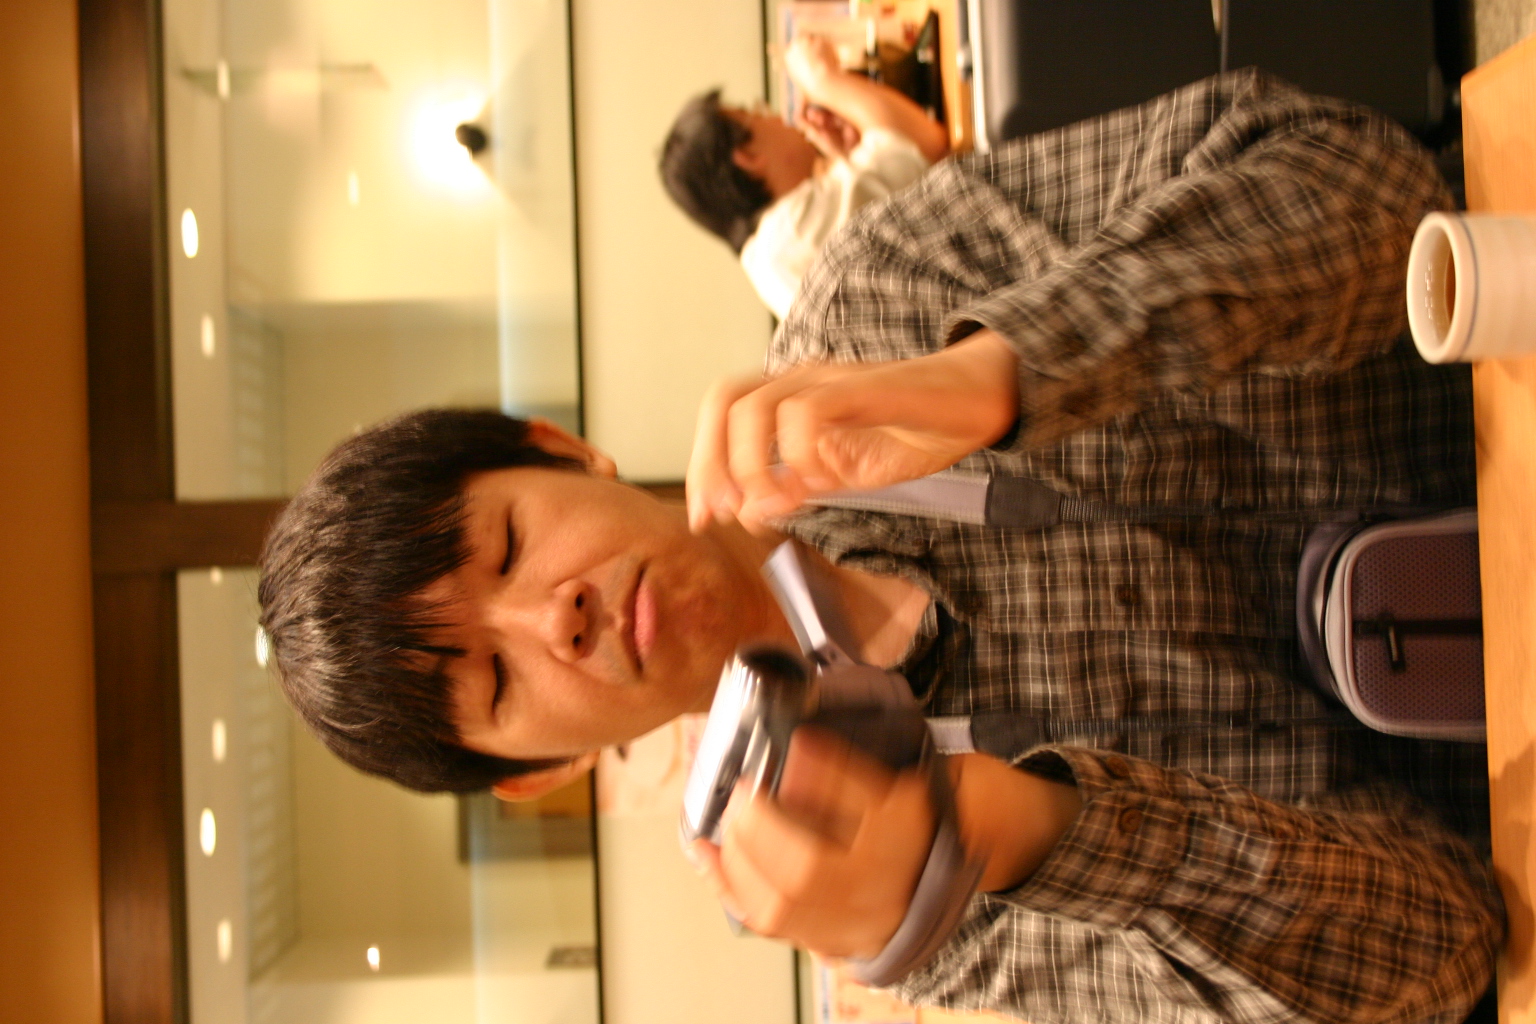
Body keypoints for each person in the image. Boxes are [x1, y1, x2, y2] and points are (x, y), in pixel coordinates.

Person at [260, 71, 1501, 1024]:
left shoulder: (875, 301)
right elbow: (1448, 948)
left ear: (563, 449)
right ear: (537, 773)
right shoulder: (886, 886)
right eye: (496, 679)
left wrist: (1004, 370)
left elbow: (1374, 190)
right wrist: (1032, 834)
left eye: (508, 545)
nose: (554, 618)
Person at [660, 35, 950, 318]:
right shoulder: (793, 231)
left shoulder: (767, 253)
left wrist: (845, 157)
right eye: (755, 113)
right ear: (748, 157)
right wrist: (823, 79)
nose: (774, 116)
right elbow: (924, 144)